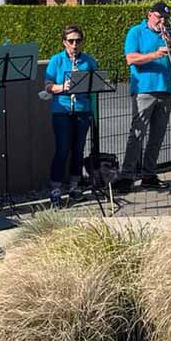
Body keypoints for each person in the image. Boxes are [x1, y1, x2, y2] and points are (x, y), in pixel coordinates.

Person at [117, 2, 171, 193]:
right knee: (137, 134)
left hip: (165, 89)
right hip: (144, 90)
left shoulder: (168, 35)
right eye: (159, 16)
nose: (162, 21)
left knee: (157, 136)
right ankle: (127, 175)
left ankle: (149, 174)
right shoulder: (136, 32)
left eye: (165, 18)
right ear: (150, 15)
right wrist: (156, 54)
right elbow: (131, 59)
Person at [44, 24, 99, 206]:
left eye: (78, 41)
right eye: (71, 41)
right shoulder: (56, 60)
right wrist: (63, 87)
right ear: (64, 42)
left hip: (82, 109)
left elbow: (97, 82)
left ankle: (75, 187)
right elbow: (47, 86)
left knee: (78, 149)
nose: (75, 45)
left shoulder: (88, 61)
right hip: (62, 110)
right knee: (62, 149)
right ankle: (55, 189)